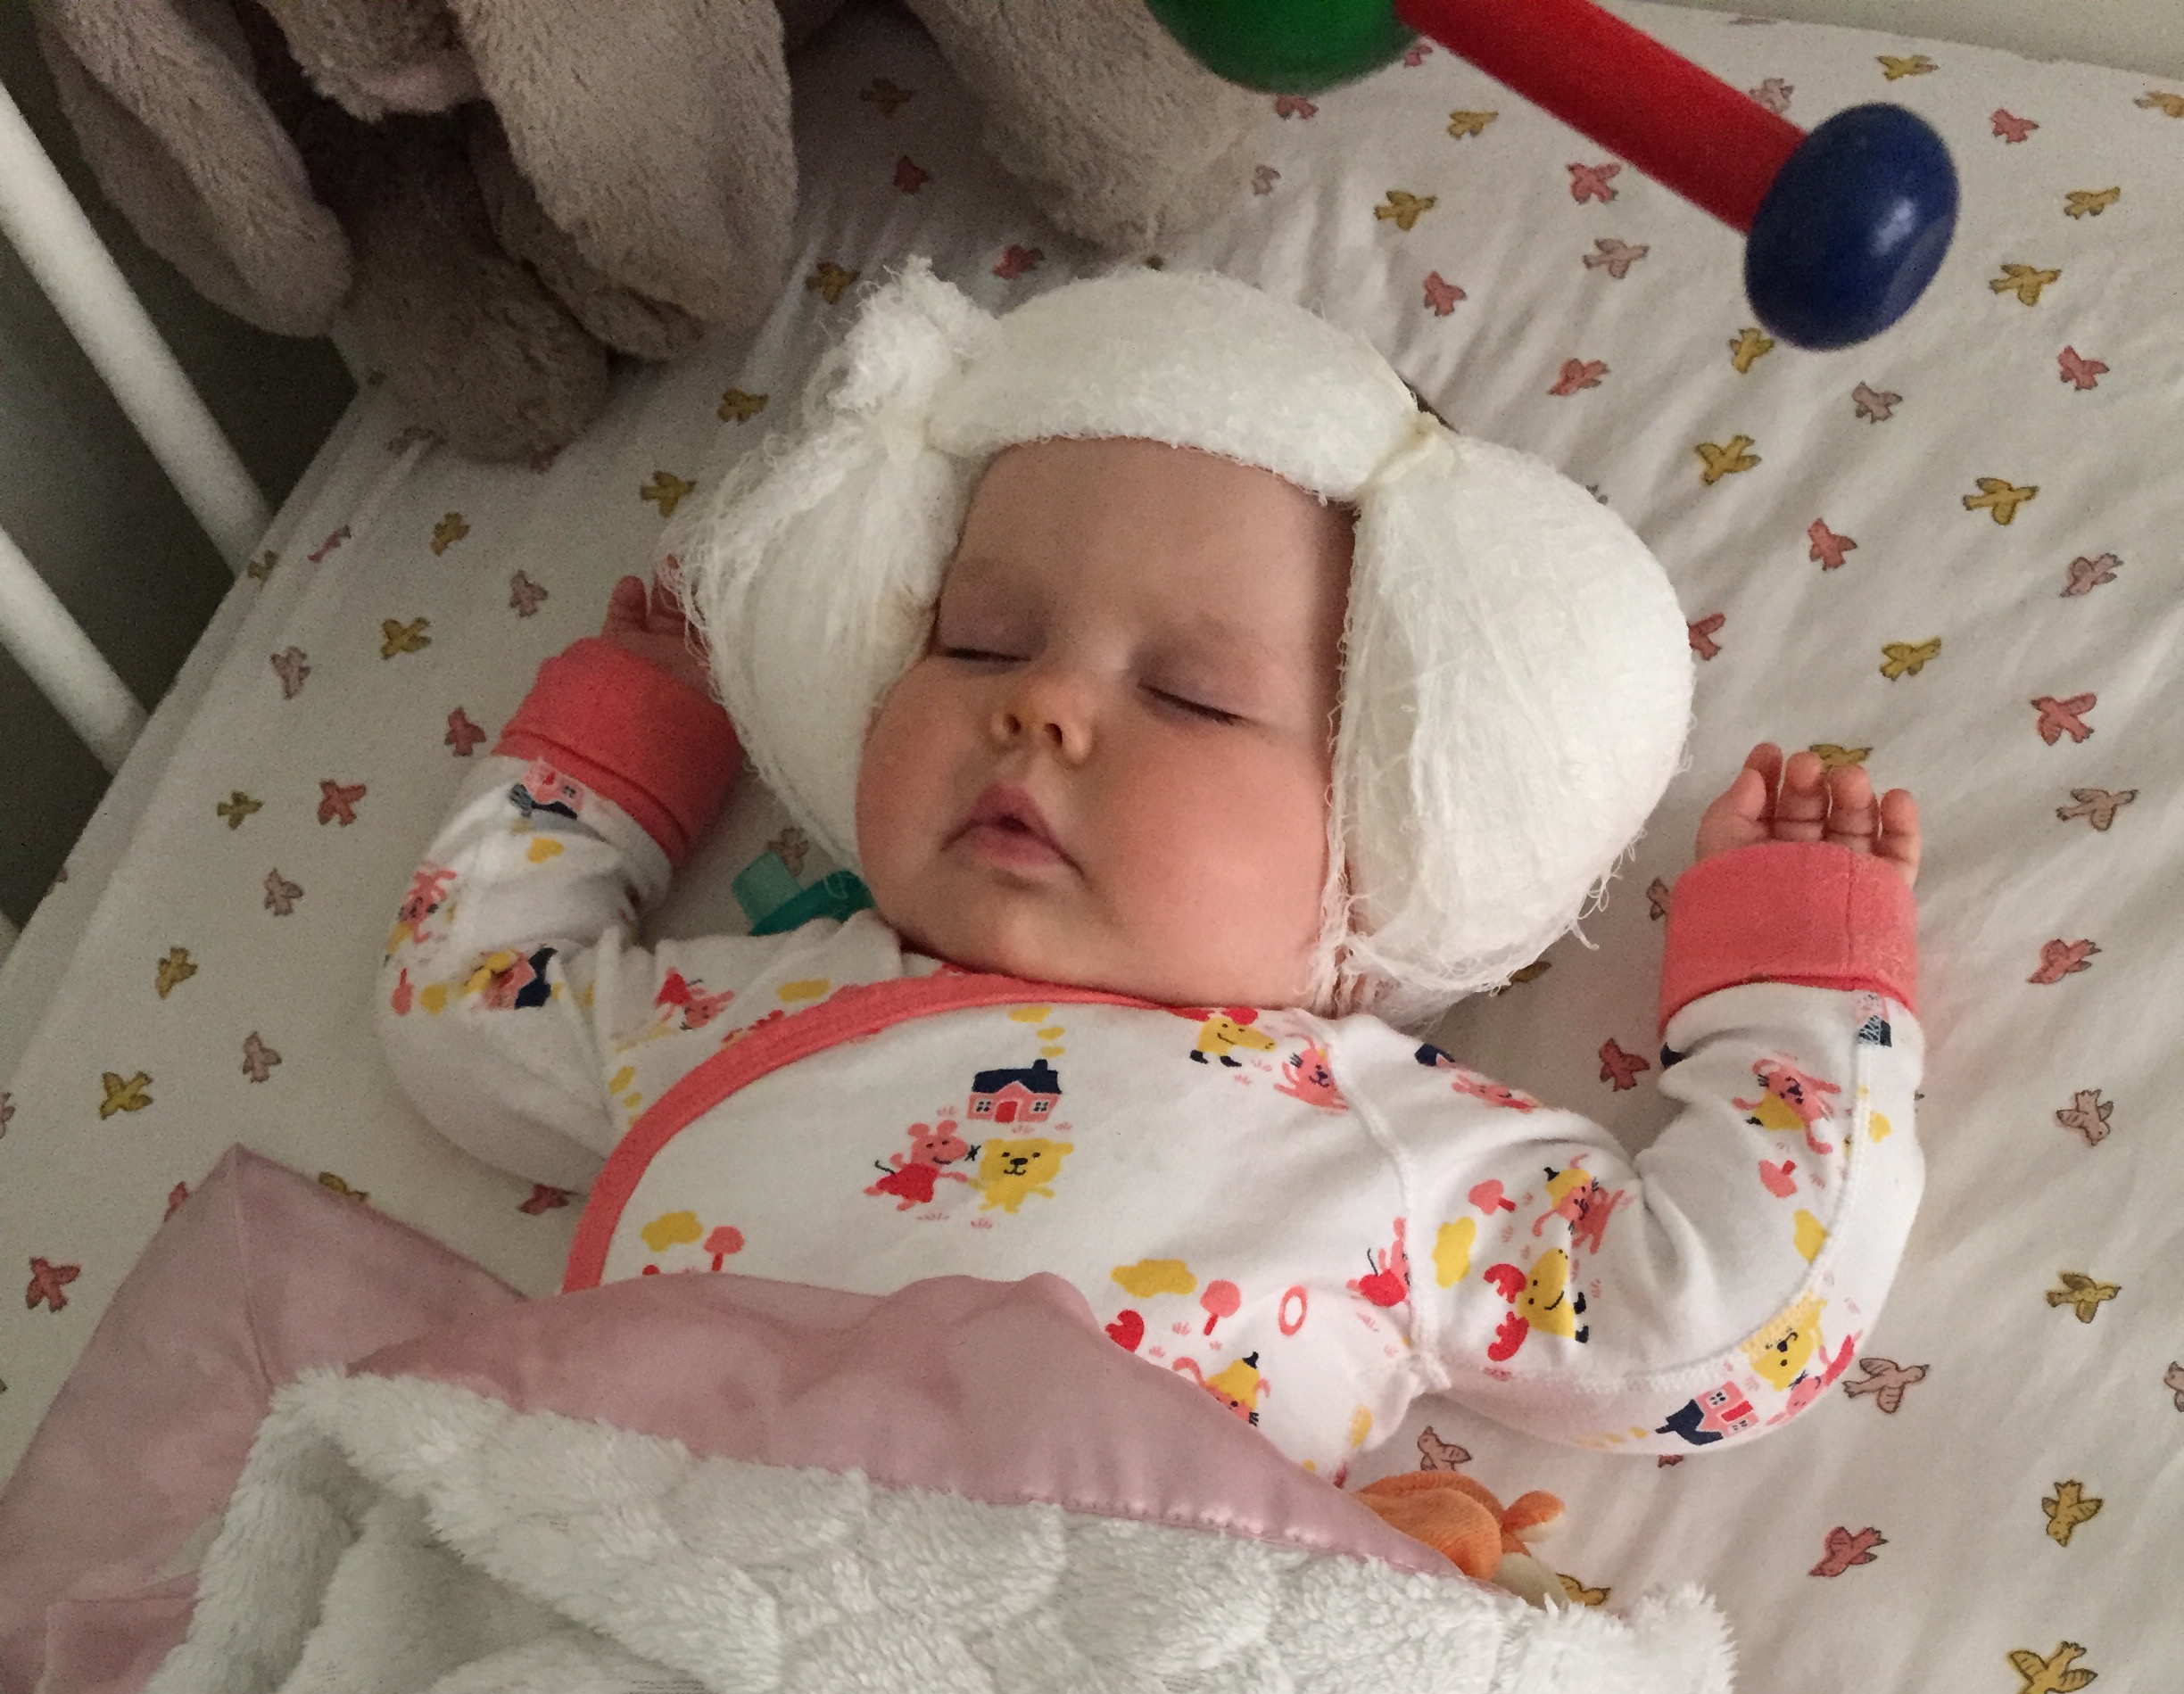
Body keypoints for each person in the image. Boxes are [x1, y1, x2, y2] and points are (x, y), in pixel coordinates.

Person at [377, 261, 1923, 1478]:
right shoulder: (753, 1016)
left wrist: (1792, 989)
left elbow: (1709, 1333)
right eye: (979, 641)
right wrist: (640, 724)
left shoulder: (1375, 1144)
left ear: (1376, 828)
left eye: (1189, 696)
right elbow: (468, 1006)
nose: (1041, 706)